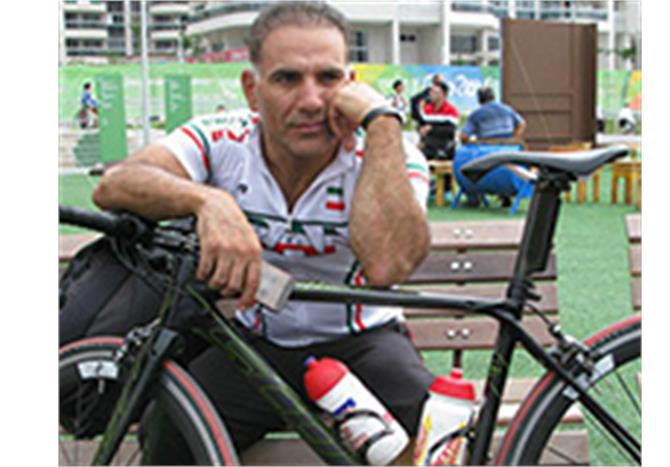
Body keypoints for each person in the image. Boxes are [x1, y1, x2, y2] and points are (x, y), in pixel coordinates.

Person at [91, 1, 433, 464]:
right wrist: (207, 201)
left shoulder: (388, 151)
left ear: (351, 86)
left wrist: (382, 123)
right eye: (287, 79)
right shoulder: (222, 138)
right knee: (167, 432)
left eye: (328, 78)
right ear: (252, 90)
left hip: (366, 341)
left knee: (438, 444)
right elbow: (116, 184)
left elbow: (388, 266)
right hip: (256, 342)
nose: (311, 101)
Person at [459, 85, 526, 207]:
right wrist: (513, 138)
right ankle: (505, 195)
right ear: (494, 97)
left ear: (479, 100)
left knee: (469, 160)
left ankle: (473, 197)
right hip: (509, 150)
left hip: (487, 151)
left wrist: (475, 141)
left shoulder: (477, 114)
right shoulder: (507, 109)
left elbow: (463, 136)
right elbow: (522, 123)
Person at [417, 80, 460, 160]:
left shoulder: (451, 111)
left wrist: (432, 129)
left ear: (443, 94)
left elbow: (450, 131)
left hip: (444, 148)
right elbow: (421, 125)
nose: (431, 94)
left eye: (435, 92)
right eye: (431, 92)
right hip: (427, 148)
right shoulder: (427, 109)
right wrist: (420, 130)